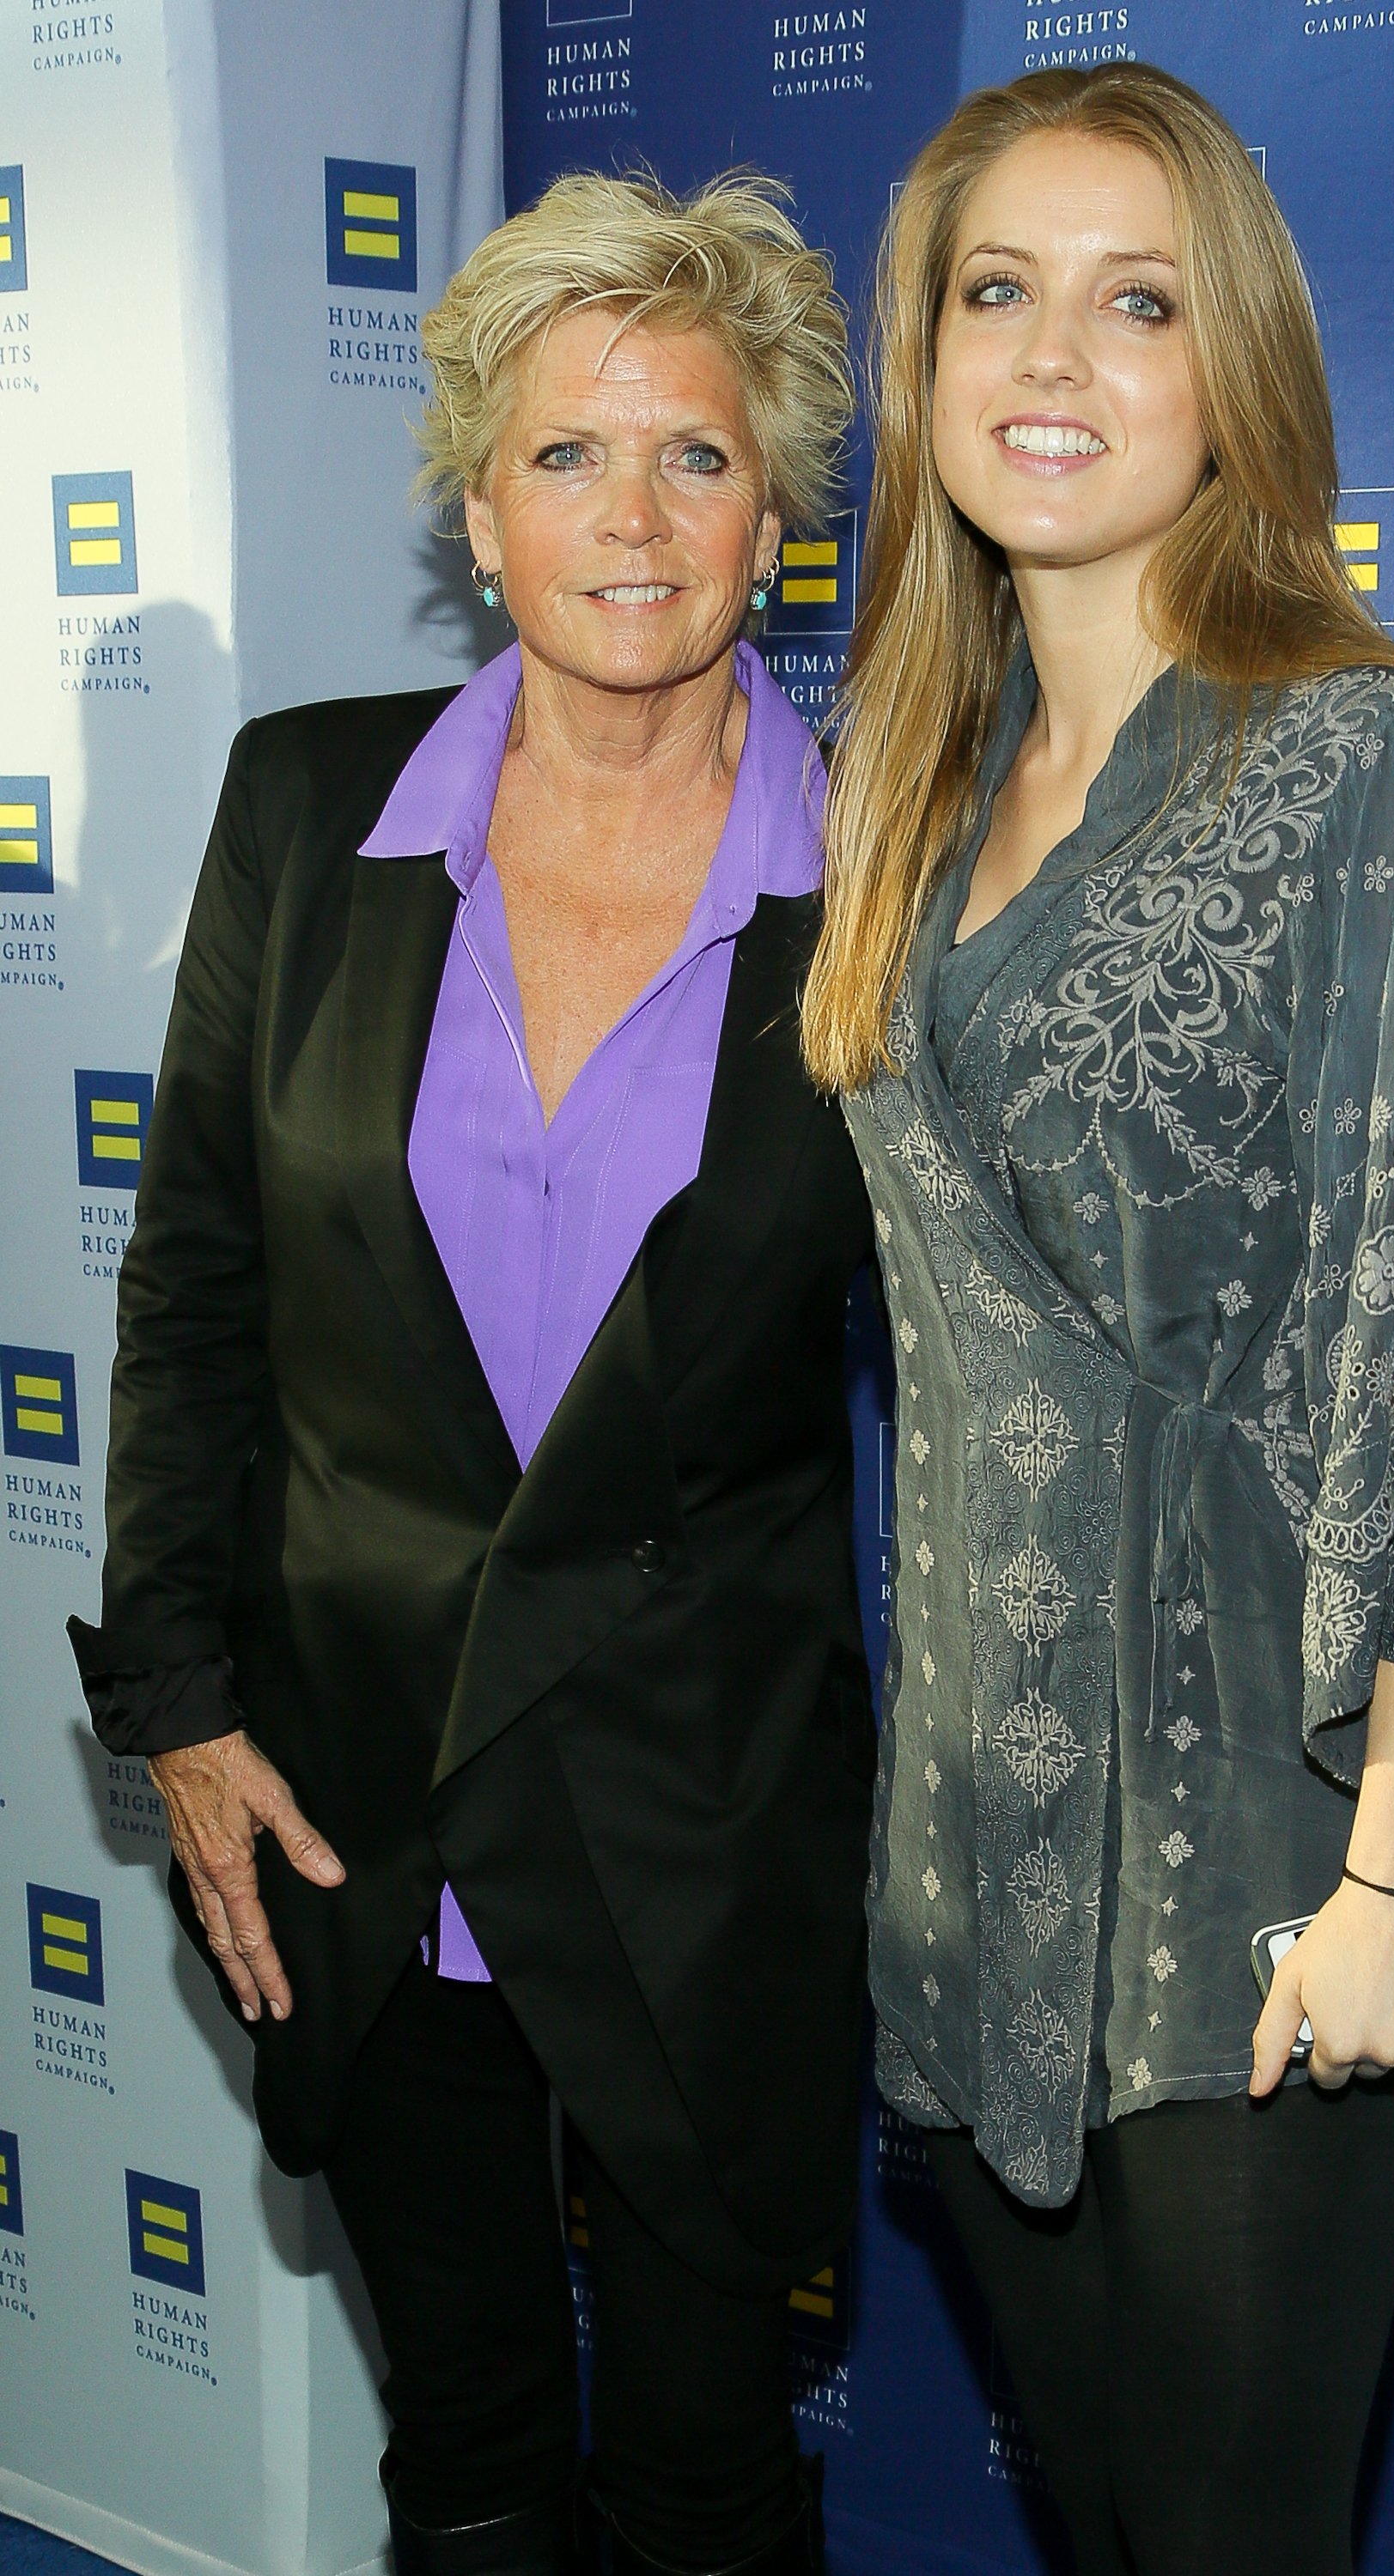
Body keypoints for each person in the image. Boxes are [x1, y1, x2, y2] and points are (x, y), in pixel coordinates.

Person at [803, 64, 1394, 2576]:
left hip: (1269, 1872)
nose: (1055, 355)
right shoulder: (911, 808)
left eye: (1138, 299)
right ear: (922, 367)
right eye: (993, 293)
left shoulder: (1385, 766)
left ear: (1233, 366)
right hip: (976, 1873)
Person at [69, 172, 874, 2576]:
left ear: (779, 508)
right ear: (474, 504)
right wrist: (183, 1712)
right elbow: (196, 1280)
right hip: (360, 1802)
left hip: (705, 1832)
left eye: (697, 457)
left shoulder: (892, 887)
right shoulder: (308, 813)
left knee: (707, 2481)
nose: (633, 518)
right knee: (477, 2465)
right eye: (565, 456)